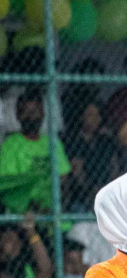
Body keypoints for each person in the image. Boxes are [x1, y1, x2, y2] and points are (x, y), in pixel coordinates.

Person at [0, 87, 71, 217]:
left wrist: (54, 205)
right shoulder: (10, 145)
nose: (31, 116)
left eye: (35, 112)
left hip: (51, 210)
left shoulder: (53, 143)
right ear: (18, 115)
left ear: (43, 113)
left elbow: (63, 179)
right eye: (26, 112)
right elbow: (10, 184)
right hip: (21, 212)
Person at [64, 101, 118, 208]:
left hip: (107, 191)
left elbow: (114, 167)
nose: (94, 119)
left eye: (97, 115)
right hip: (82, 196)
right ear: (81, 117)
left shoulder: (105, 141)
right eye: (90, 115)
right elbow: (77, 172)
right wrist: (93, 191)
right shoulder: (74, 141)